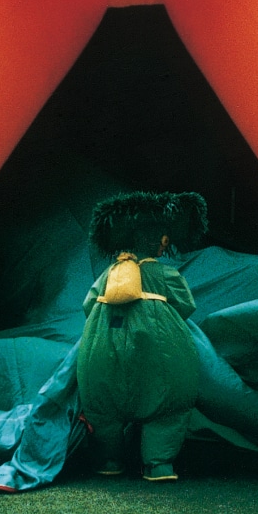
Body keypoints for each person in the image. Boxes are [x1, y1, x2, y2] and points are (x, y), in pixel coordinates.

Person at [77, 191, 206, 482]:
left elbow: (88, 305)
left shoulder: (110, 274)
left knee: (104, 410)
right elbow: (186, 305)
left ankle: (109, 460)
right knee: (167, 408)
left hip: (104, 353)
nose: (165, 244)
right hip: (160, 358)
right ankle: (158, 464)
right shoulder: (165, 276)